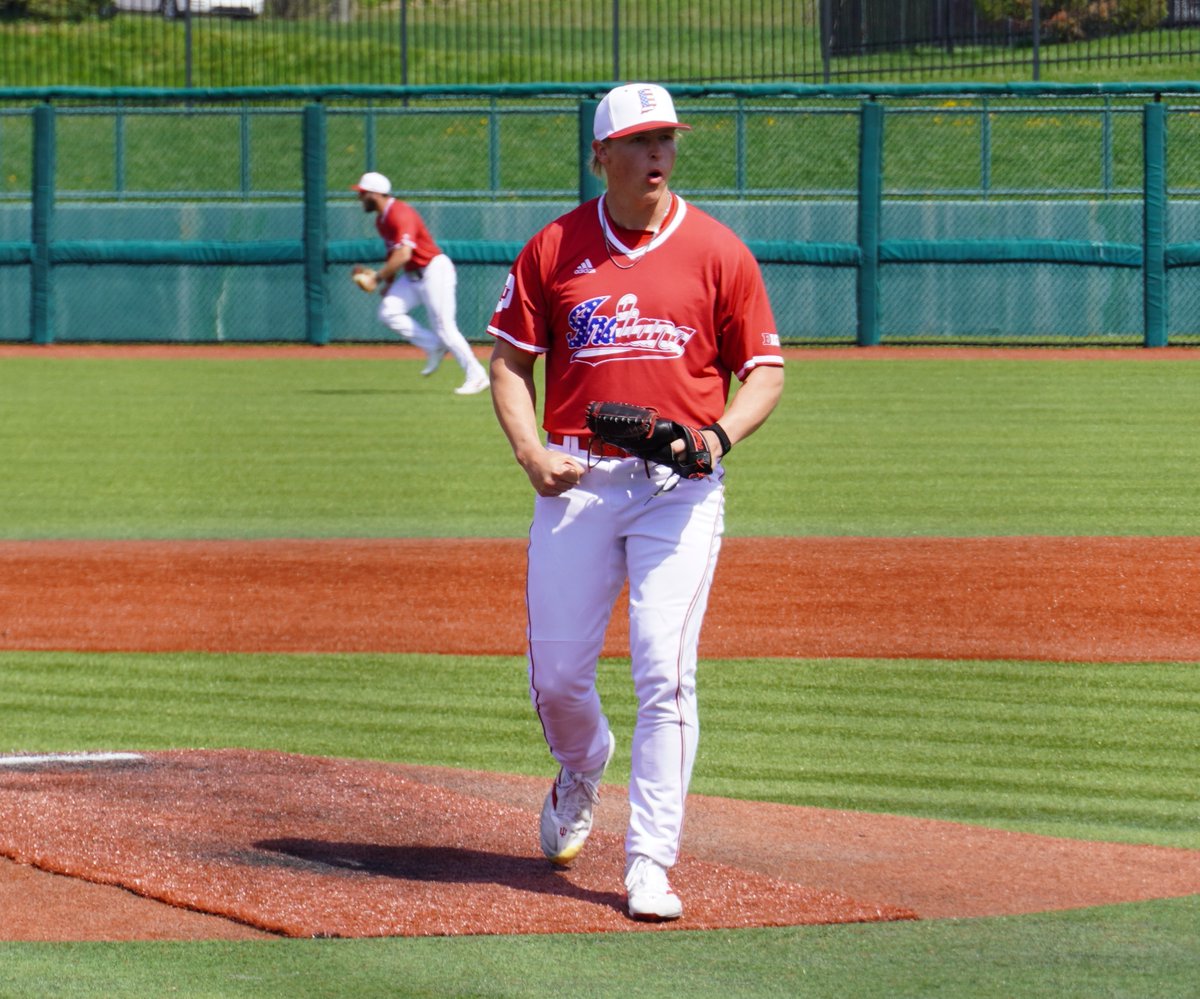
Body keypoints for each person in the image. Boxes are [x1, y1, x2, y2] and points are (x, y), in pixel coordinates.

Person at [486, 83, 785, 921]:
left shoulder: (718, 251)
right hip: (577, 481)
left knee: (666, 673)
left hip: (679, 491)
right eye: (641, 140)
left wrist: (717, 438)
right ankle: (583, 764)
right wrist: (530, 452)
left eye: (668, 139)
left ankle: (649, 860)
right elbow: (509, 363)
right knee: (558, 679)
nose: (659, 153)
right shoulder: (555, 247)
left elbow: (764, 371)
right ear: (602, 156)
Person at [351, 171, 490, 395]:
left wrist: (376, 277)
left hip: (434, 270)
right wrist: (388, 283)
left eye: (362, 193)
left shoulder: (400, 213)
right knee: (388, 311)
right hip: (412, 276)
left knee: (445, 326)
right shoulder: (381, 220)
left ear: (375, 194)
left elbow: (404, 254)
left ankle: (477, 375)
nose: (359, 198)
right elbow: (394, 255)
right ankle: (433, 345)